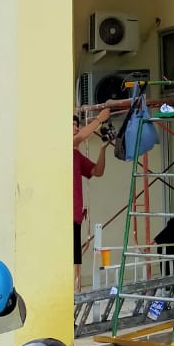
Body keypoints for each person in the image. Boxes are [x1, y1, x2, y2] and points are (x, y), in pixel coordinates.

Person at [73, 106, 112, 291]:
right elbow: (79, 138)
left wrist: (103, 148)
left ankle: (76, 294)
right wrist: (99, 119)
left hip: (75, 216)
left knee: (75, 261)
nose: (76, 128)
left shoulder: (76, 155)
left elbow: (97, 171)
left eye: (77, 125)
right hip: (62, 216)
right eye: (72, 125)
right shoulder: (60, 148)